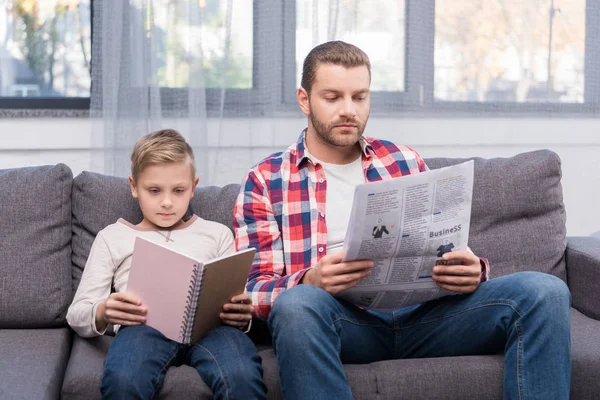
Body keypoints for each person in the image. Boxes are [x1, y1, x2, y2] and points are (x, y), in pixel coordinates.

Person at [234, 41, 571, 400]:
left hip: (425, 319)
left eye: (359, 97)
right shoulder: (266, 180)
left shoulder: (402, 160)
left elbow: (446, 243)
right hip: (345, 323)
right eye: (332, 97)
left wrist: (473, 269)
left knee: (545, 291)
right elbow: (250, 291)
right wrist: (310, 281)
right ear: (305, 99)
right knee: (296, 305)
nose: (348, 110)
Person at [67, 129, 267, 400]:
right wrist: (103, 311)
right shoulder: (113, 237)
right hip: (143, 329)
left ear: (193, 187)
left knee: (243, 375)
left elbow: (237, 301)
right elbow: (77, 313)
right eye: (154, 190)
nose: (166, 202)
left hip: (213, 330)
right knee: (123, 379)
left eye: (179, 190)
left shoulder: (217, 234)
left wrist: (242, 318)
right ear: (134, 187)